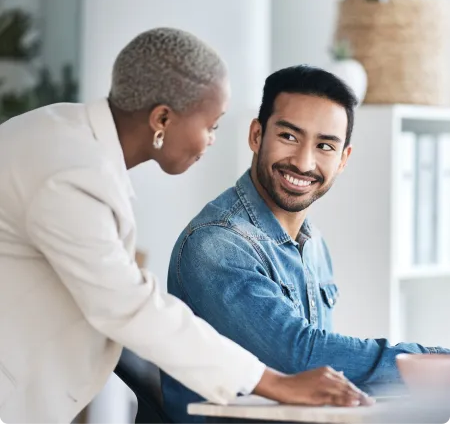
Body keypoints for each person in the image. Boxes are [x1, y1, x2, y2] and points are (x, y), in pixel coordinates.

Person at [0, 29, 371, 424]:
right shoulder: (71, 172)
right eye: (211, 125)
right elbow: (129, 306)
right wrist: (274, 381)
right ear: (163, 118)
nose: (211, 140)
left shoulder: (65, 134)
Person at [162, 64, 450, 423]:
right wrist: (428, 362)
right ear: (256, 135)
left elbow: (323, 380)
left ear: (343, 159)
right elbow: (301, 357)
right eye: (289, 137)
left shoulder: (313, 244)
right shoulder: (216, 243)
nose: (303, 162)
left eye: (325, 145)